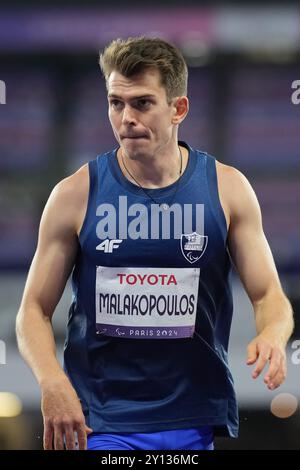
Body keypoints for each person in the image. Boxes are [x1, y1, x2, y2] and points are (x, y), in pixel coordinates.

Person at [16, 37, 294, 451]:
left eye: (142, 103)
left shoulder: (227, 189)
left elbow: (269, 294)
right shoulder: (75, 195)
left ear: (178, 108)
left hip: (194, 415)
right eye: (115, 103)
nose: (126, 117)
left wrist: (273, 332)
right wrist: (52, 381)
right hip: (100, 419)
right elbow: (33, 311)